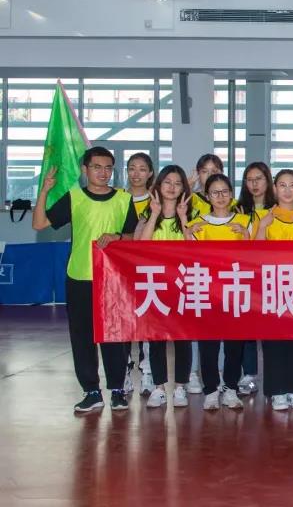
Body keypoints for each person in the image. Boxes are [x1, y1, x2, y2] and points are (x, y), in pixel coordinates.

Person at [32, 146, 138, 412]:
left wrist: (116, 236)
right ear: (85, 169)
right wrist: (44, 191)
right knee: (82, 337)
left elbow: (134, 236)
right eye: (96, 167)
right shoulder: (75, 197)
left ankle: (117, 390)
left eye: (108, 167)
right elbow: (39, 224)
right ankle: (91, 391)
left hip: (114, 278)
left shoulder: (123, 199)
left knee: (115, 335)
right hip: (80, 276)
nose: (103, 173)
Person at [184, 173, 249, 410]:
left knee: (234, 345)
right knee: (208, 346)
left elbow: (254, 258)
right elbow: (187, 258)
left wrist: (247, 237)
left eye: (224, 192)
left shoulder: (244, 221)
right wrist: (188, 234)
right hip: (207, 291)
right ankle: (210, 389)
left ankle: (230, 388)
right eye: (215, 192)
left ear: (231, 194)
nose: (220, 196)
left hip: (235, 291)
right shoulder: (198, 223)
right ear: (207, 196)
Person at [255, 169, 293, 411]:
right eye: (282, 185)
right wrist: (263, 227)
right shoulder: (262, 216)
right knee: (273, 341)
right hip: (271, 285)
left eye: (292, 185)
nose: (287, 190)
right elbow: (254, 252)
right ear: (274, 188)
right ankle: (276, 390)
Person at [137, 165, 193, 409]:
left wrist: (184, 218)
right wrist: (154, 214)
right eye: (167, 182)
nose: (172, 187)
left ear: (183, 188)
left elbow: (196, 249)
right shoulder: (147, 215)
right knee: (156, 340)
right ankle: (159, 387)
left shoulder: (190, 214)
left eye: (177, 183)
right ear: (158, 185)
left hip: (182, 286)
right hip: (155, 285)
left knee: (183, 339)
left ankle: (180, 386)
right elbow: (141, 246)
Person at [234, 161, 275, 396]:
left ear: (267, 180)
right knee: (248, 328)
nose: (254, 184)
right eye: (249, 180)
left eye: (258, 178)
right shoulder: (238, 209)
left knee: (271, 329)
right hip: (246, 274)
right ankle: (249, 375)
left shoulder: (278, 208)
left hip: (271, 275)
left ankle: (273, 376)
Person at [125, 152, 155, 394]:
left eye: (142, 169)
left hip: (148, 269)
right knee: (124, 321)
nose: (136, 173)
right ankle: (124, 372)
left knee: (147, 321)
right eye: (132, 168)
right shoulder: (118, 198)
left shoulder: (154, 201)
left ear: (150, 173)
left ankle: (147, 372)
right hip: (122, 269)